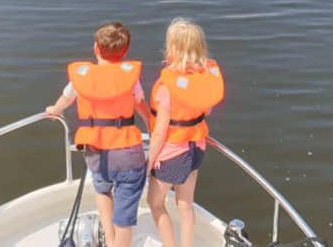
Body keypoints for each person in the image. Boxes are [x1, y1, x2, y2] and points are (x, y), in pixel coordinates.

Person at [46, 22, 151, 247]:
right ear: (125, 52)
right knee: (125, 215)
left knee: (102, 191)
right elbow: (142, 107)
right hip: (128, 153)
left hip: (97, 153)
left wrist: (54, 110)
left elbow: (65, 99)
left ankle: (110, 239)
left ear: (96, 49)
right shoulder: (129, 78)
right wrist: (154, 127)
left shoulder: (81, 77)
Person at [147, 19, 225, 247]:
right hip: (196, 148)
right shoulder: (205, 79)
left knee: (155, 203)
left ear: (172, 49)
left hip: (172, 153)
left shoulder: (166, 88)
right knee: (186, 204)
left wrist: (149, 162)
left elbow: (160, 132)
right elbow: (207, 108)